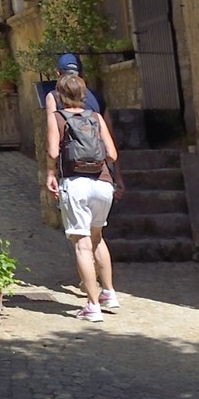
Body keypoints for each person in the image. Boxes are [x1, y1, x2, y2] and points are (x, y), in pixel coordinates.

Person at [45, 68, 123, 321]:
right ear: (83, 94)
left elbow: (54, 153)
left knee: (82, 245)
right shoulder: (96, 117)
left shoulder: (58, 117)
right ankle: (109, 293)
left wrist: (50, 174)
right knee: (98, 237)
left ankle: (92, 306)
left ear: (60, 95)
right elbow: (112, 155)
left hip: (76, 184)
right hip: (102, 185)